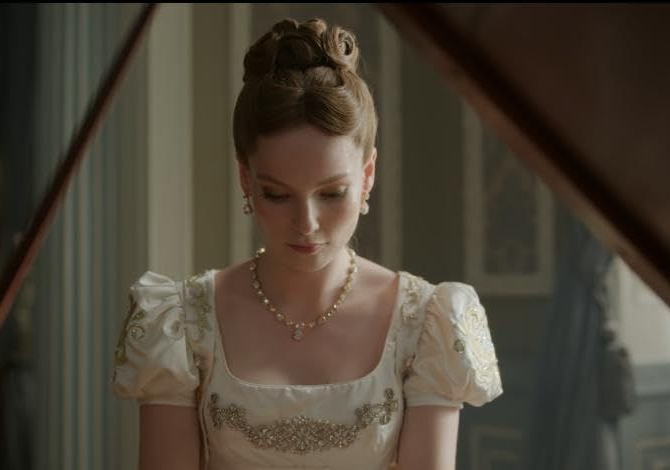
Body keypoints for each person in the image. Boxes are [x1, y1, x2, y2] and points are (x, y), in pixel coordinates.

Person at [112, 17, 503, 470]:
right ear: (245, 178)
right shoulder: (180, 321)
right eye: (277, 194)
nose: (306, 223)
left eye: (332, 193)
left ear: (368, 176)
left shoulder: (427, 323)